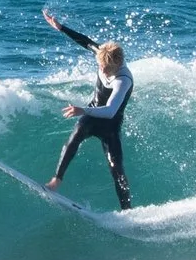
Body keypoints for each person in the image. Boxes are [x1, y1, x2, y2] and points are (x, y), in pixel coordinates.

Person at [42, 11, 134, 210]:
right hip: (92, 114)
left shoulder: (123, 80)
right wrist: (61, 27)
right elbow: (85, 41)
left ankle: (127, 211)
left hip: (110, 124)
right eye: (99, 64)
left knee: (116, 168)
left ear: (114, 66)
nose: (100, 68)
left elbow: (110, 111)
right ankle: (56, 180)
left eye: (104, 67)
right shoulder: (103, 54)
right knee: (74, 137)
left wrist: (81, 110)